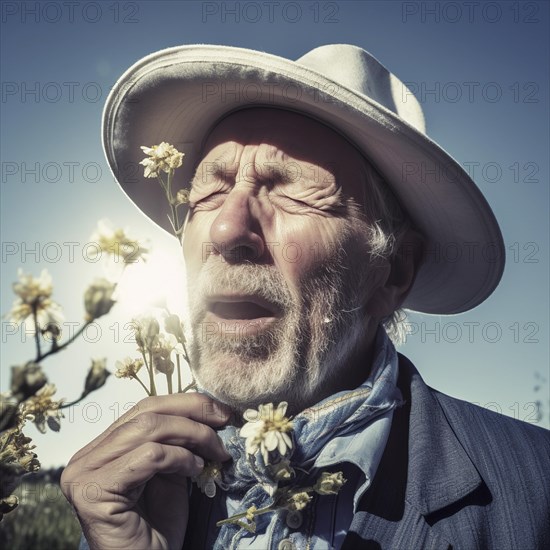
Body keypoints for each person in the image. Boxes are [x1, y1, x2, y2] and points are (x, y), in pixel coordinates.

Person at [62, 44, 550, 549]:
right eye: (209, 191)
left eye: (289, 190)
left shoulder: (536, 491)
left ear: (392, 272)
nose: (227, 228)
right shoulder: (135, 499)